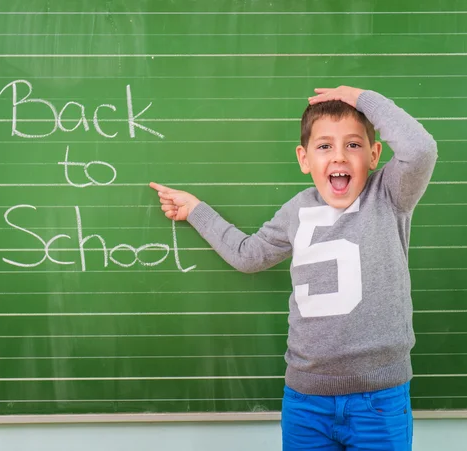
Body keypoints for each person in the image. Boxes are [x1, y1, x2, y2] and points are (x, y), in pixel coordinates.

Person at [150, 86, 437, 450]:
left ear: (374, 154)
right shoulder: (296, 211)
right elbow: (248, 254)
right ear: (304, 159)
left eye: (352, 145)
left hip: (379, 400)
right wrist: (197, 211)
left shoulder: (390, 195)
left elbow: (421, 149)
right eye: (324, 146)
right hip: (306, 401)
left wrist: (363, 98)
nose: (339, 156)